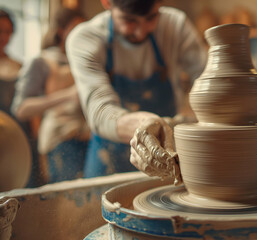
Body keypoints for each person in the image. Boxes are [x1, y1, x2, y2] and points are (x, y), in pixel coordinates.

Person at [66, 0, 206, 179]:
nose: (141, 32)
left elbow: (206, 78)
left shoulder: (175, 25)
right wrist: (148, 126)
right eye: (129, 20)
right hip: (109, 156)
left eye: (151, 18)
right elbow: (100, 111)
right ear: (107, 3)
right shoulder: (86, 38)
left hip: (166, 154)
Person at [11, 8, 89, 183]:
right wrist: (67, 96)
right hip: (60, 140)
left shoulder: (82, 61)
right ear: (61, 31)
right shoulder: (41, 62)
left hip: (86, 137)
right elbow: (21, 109)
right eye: (77, 28)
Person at [0, 9, 21, 115]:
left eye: (7, 32)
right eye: (0, 31)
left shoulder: (18, 66)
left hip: (11, 126)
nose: (3, 37)